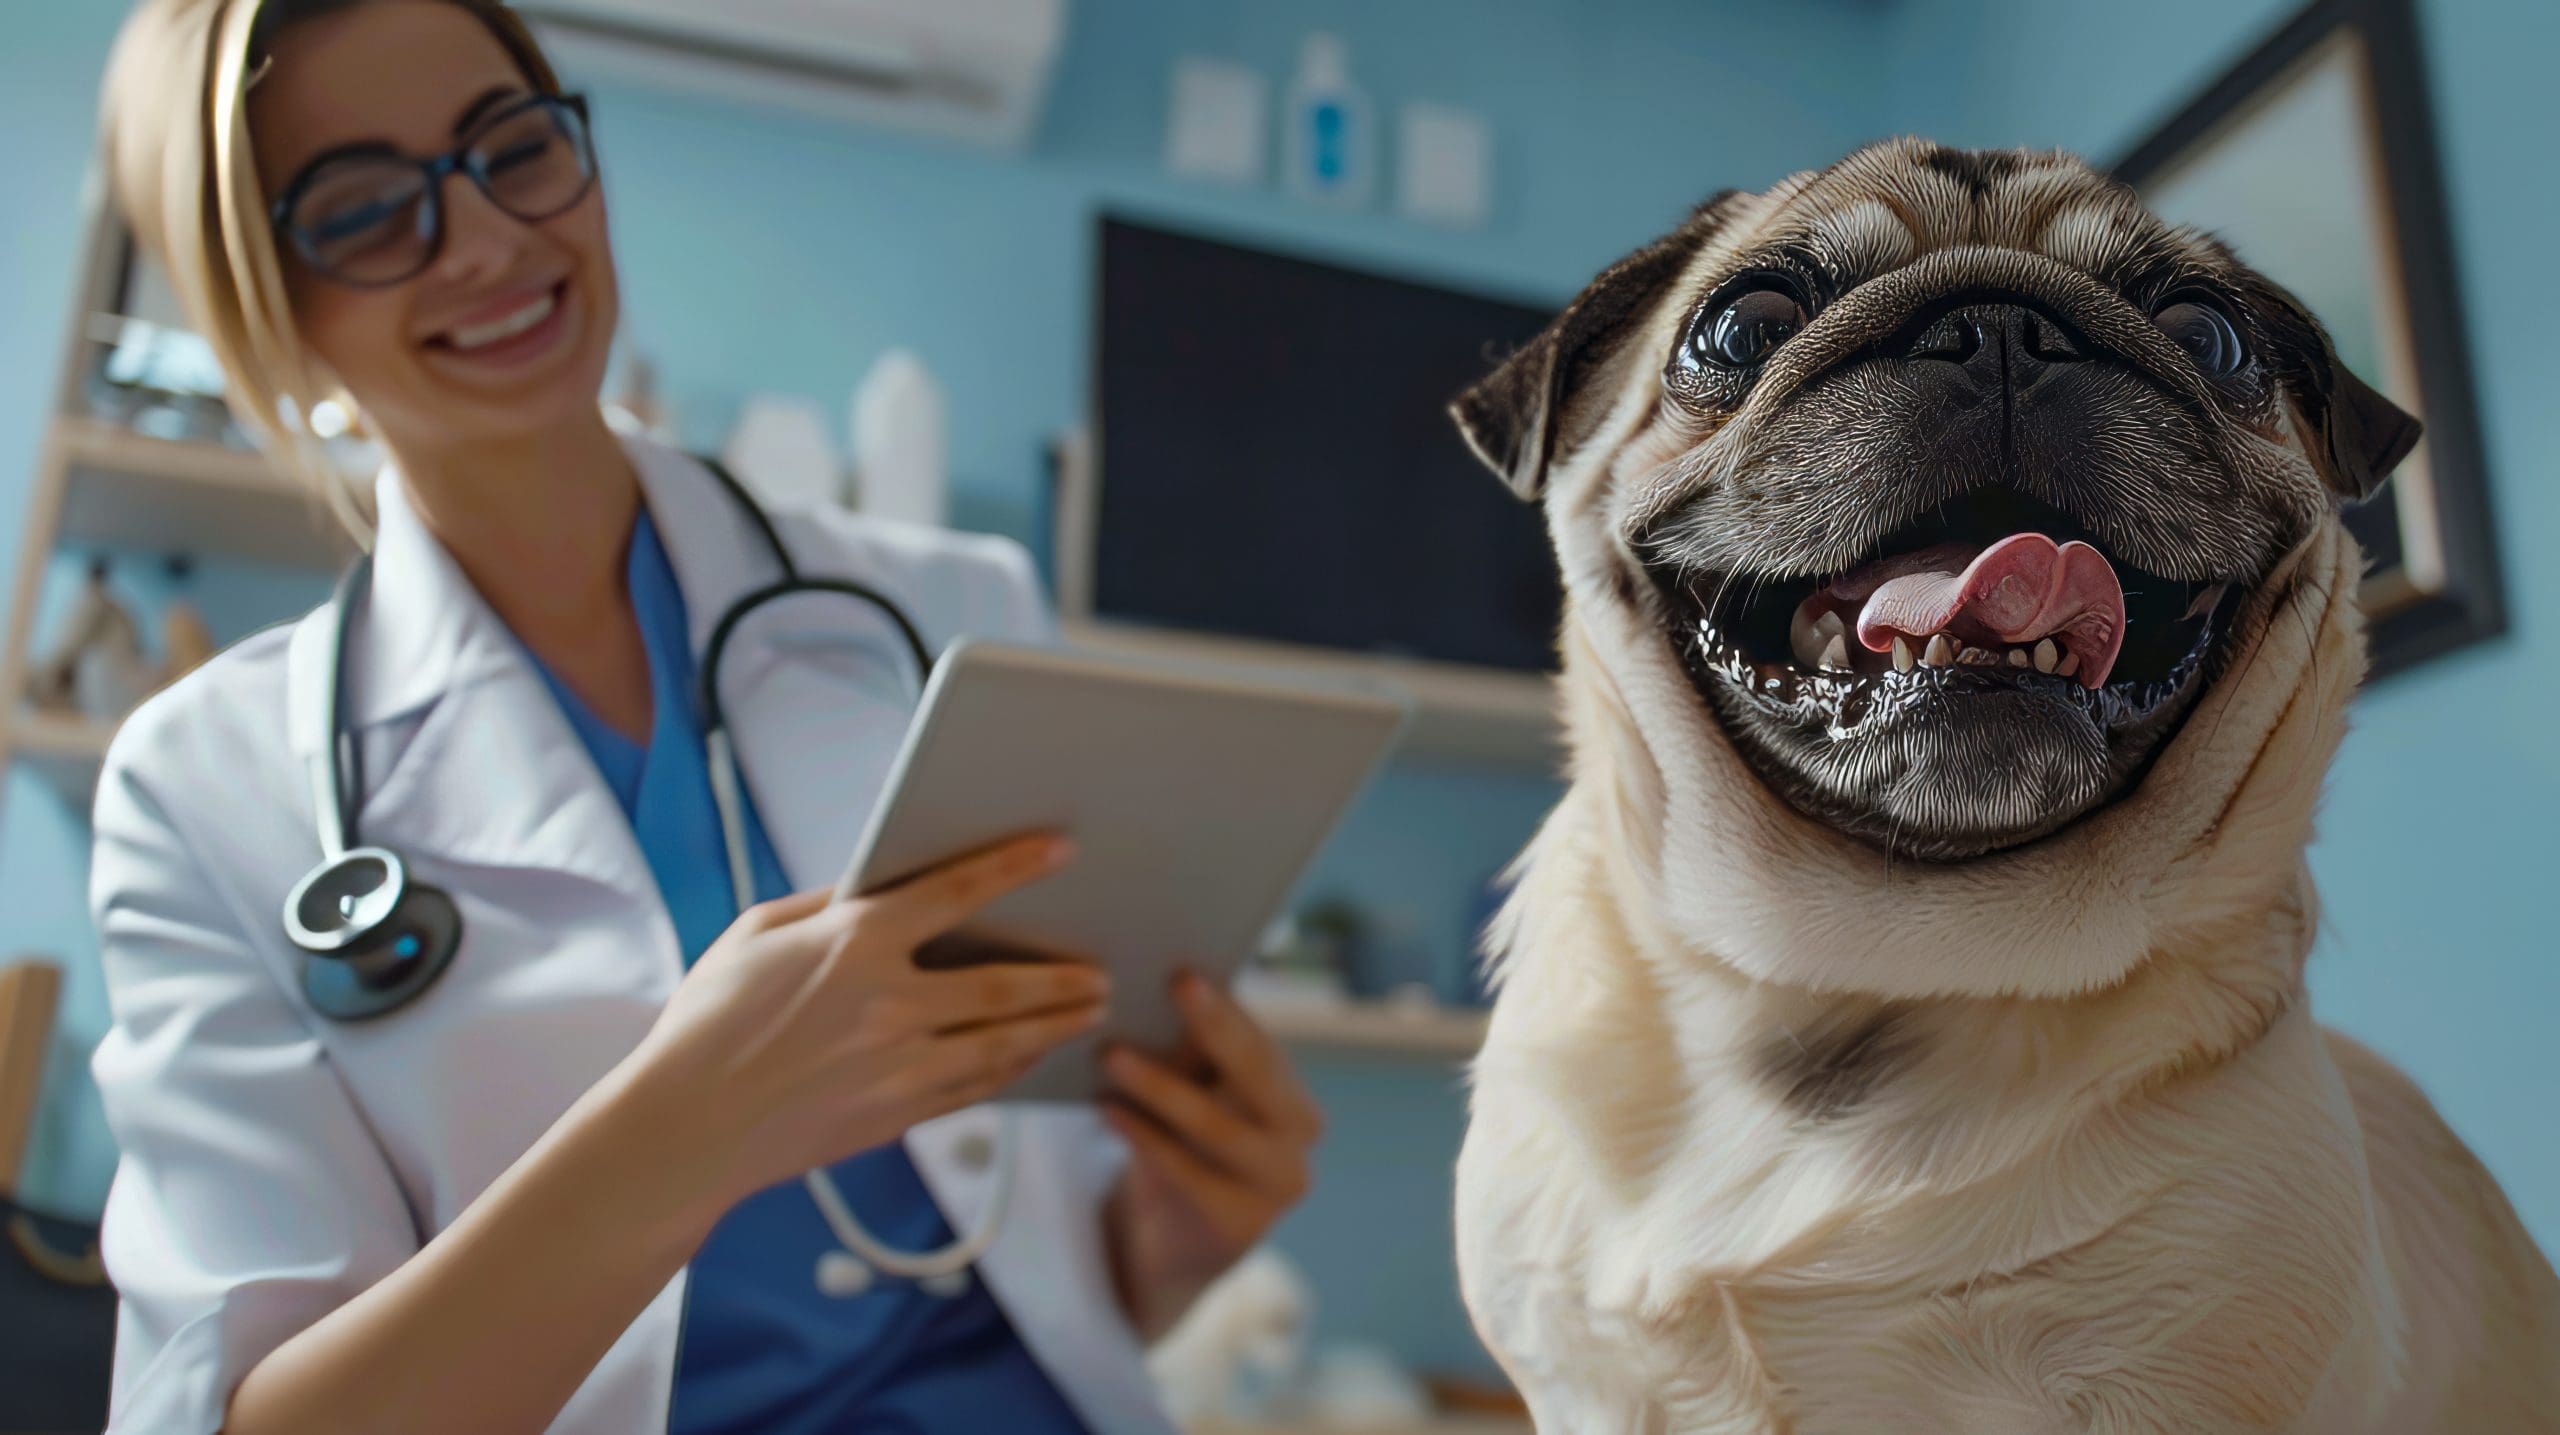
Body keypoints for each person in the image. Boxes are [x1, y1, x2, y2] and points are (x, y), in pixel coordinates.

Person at [85, 2, 1324, 1430]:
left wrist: (1175, 1236)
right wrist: (677, 1134)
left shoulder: (951, 608)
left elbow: (1046, 1278)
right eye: (366, 212)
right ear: (264, 309)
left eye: (513, 147)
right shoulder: (201, 791)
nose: (487, 239)